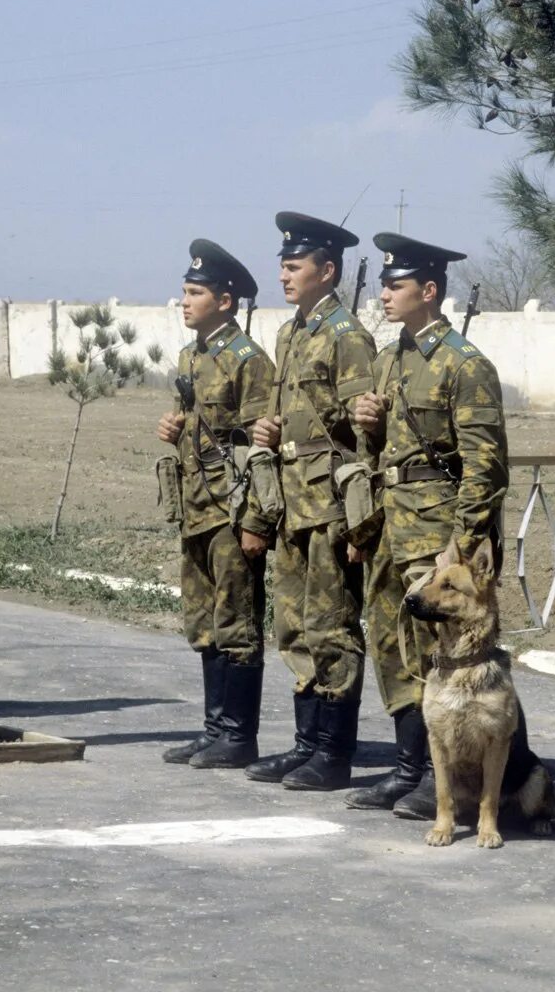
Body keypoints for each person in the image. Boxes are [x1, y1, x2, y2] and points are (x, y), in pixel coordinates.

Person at [345, 232, 509, 817]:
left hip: (438, 533)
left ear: (430, 290)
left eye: (397, 284)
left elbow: (485, 464)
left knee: (437, 652)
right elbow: (386, 447)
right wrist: (367, 420)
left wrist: (459, 551)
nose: (385, 294)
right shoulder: (393, 357)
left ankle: (448, 782)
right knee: (392, 644)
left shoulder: (465, 364)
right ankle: (410, 769)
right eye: (385, 284)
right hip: (393, 523)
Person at [245, 212, 376, 791]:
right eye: (281, 265)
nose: (283, 275)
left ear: (327, 271)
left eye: (294, 266)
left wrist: (361, 525)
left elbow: (366, 434)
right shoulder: (291, 333)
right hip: (292, 504)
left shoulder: (348, 338)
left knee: (333, 628)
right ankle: (305, 745)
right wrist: (272, 430)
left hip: (328, 507)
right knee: (295, 628)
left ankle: (334, 751)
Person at [157, 239, 275, 769]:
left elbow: (259, 448)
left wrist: (255, 522)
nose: (185, 301)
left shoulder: (248, 360)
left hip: (231, 509)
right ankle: (213, 729)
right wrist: (173, 426)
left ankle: (238, 736)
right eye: (184, 291)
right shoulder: (192, 355)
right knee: (204, 621)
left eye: (195, 292)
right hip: (196, 507)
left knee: (237, 621)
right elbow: (194, 419)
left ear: (224, 301)